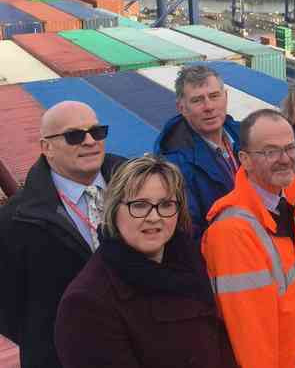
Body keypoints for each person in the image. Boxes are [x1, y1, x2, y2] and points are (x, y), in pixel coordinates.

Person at [55, 155, 236, 368]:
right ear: (114, 211)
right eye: (139, 205)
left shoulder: (192, 263)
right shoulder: (87, 303)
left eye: (166, 204)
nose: (154, 217)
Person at [202, 109, 295, 368]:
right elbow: (252, 341)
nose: (285, 159)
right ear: (245, 160)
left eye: (290, 148)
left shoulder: (290, 203)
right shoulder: (233, 232)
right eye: (270, 151)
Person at [0, 101, 124, 368]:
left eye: (97, 131)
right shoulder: (15, 219)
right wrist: (48, 338)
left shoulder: (139, 188)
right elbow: (7, 306)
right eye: (75, 135)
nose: (90, 141)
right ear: (47, 148)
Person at [155, 65, 241, 237]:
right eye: (197, 100)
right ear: (181, 108)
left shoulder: (246, 135)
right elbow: (189, 233)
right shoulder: (174, 165)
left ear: (226, 97)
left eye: (214, 96)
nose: (208, 106)